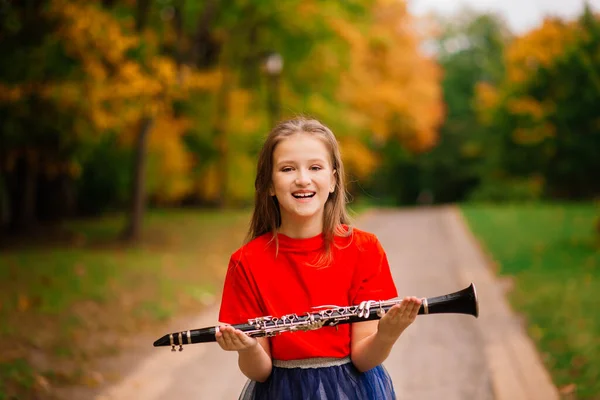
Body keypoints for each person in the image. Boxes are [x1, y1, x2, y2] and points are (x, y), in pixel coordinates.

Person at [216, 117, 422, 400]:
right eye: (288, 169)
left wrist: (387, 334)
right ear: (269, 185)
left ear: (334, 180)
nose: (303, 178)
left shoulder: (364, 249)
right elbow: (260, 371)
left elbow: (363, 358)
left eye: (315, 167)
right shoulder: (246, 262)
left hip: (352, 391)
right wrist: (248, 347)